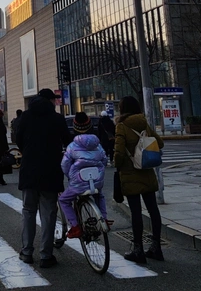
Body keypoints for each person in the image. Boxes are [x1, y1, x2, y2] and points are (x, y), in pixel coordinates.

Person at [14, 88, 71, 269]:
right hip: (50, 170)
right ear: (50, 101)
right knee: (48, 213)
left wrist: (28, 151)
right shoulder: (57, 118)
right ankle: (46, 255)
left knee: (28, 211)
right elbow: (68, 141)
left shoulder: (25, 116)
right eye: (54, 99)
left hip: (29, 169)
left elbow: (18, 139)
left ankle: (26, 252)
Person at [114, 95, 164, 264]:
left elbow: (119, 152)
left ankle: (138, 250)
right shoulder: (144, 123)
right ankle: (156, 247)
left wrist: (117, 164)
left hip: (130, 174)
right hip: (147, 172)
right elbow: (160, 143)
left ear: (123, 109)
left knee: (136, 212)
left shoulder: (121, 126)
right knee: (153, 209)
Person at [59, 112, 108, 239]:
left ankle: (75, 227)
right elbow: (104, 160)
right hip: (96, 180)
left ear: (75, 128)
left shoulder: (72, 146)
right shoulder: (98, 145)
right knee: (99, 195)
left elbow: (65, 165)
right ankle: (104, 219)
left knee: (63, 200)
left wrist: (71, 176)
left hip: (78, 182)